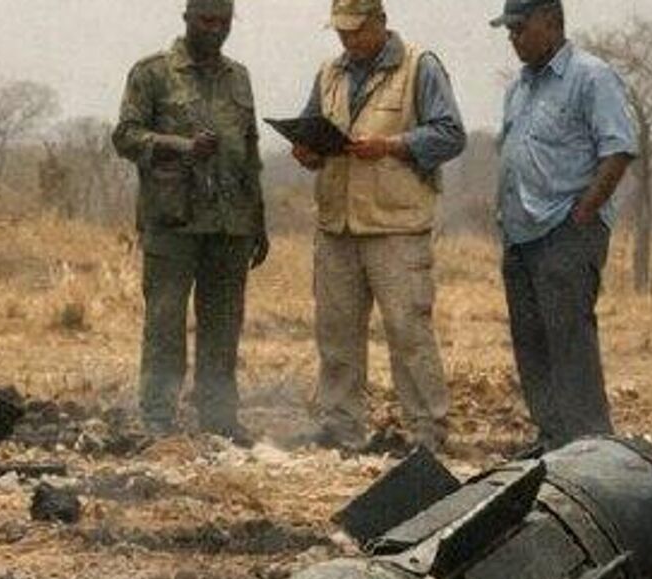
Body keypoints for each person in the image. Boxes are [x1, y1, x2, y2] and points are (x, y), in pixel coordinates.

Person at [292, 0, 464, 454]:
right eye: (341, 31)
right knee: (336, 333)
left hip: (396, 226)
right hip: (336, 225)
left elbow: (450, 135)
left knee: (408, 332)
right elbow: (311, 131)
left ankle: (427, 432)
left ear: (380, 22)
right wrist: (307, 152)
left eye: (355, 30)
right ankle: (339, 424)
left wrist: (392, 145)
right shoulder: (329, 73)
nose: (347, 39)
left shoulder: (419, 67)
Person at [112, 0, 267, 443]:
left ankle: (218, 418)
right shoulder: (153, 73)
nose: (215, 29)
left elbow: (250, 152)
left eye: (224, 22)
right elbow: (125, 136)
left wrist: (258, 221)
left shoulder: (239, 77)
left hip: (231, 224)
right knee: (165, 322)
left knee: (223, 324)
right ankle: (158, 418)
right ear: (187, 19)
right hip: (172, 220)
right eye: (206, 20)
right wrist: (180, 146)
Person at [493, 0, 636, 448]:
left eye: (521, 27)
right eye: (509, 30)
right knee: (531, 342)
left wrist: (584, 213)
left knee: (569, 340)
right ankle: (552, 437)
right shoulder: (518, 88)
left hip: (566, 230)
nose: (513, 38)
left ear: (552, 22)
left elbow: (618, 149)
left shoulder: (591, 76)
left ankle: (588, 446)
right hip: (520, 234)